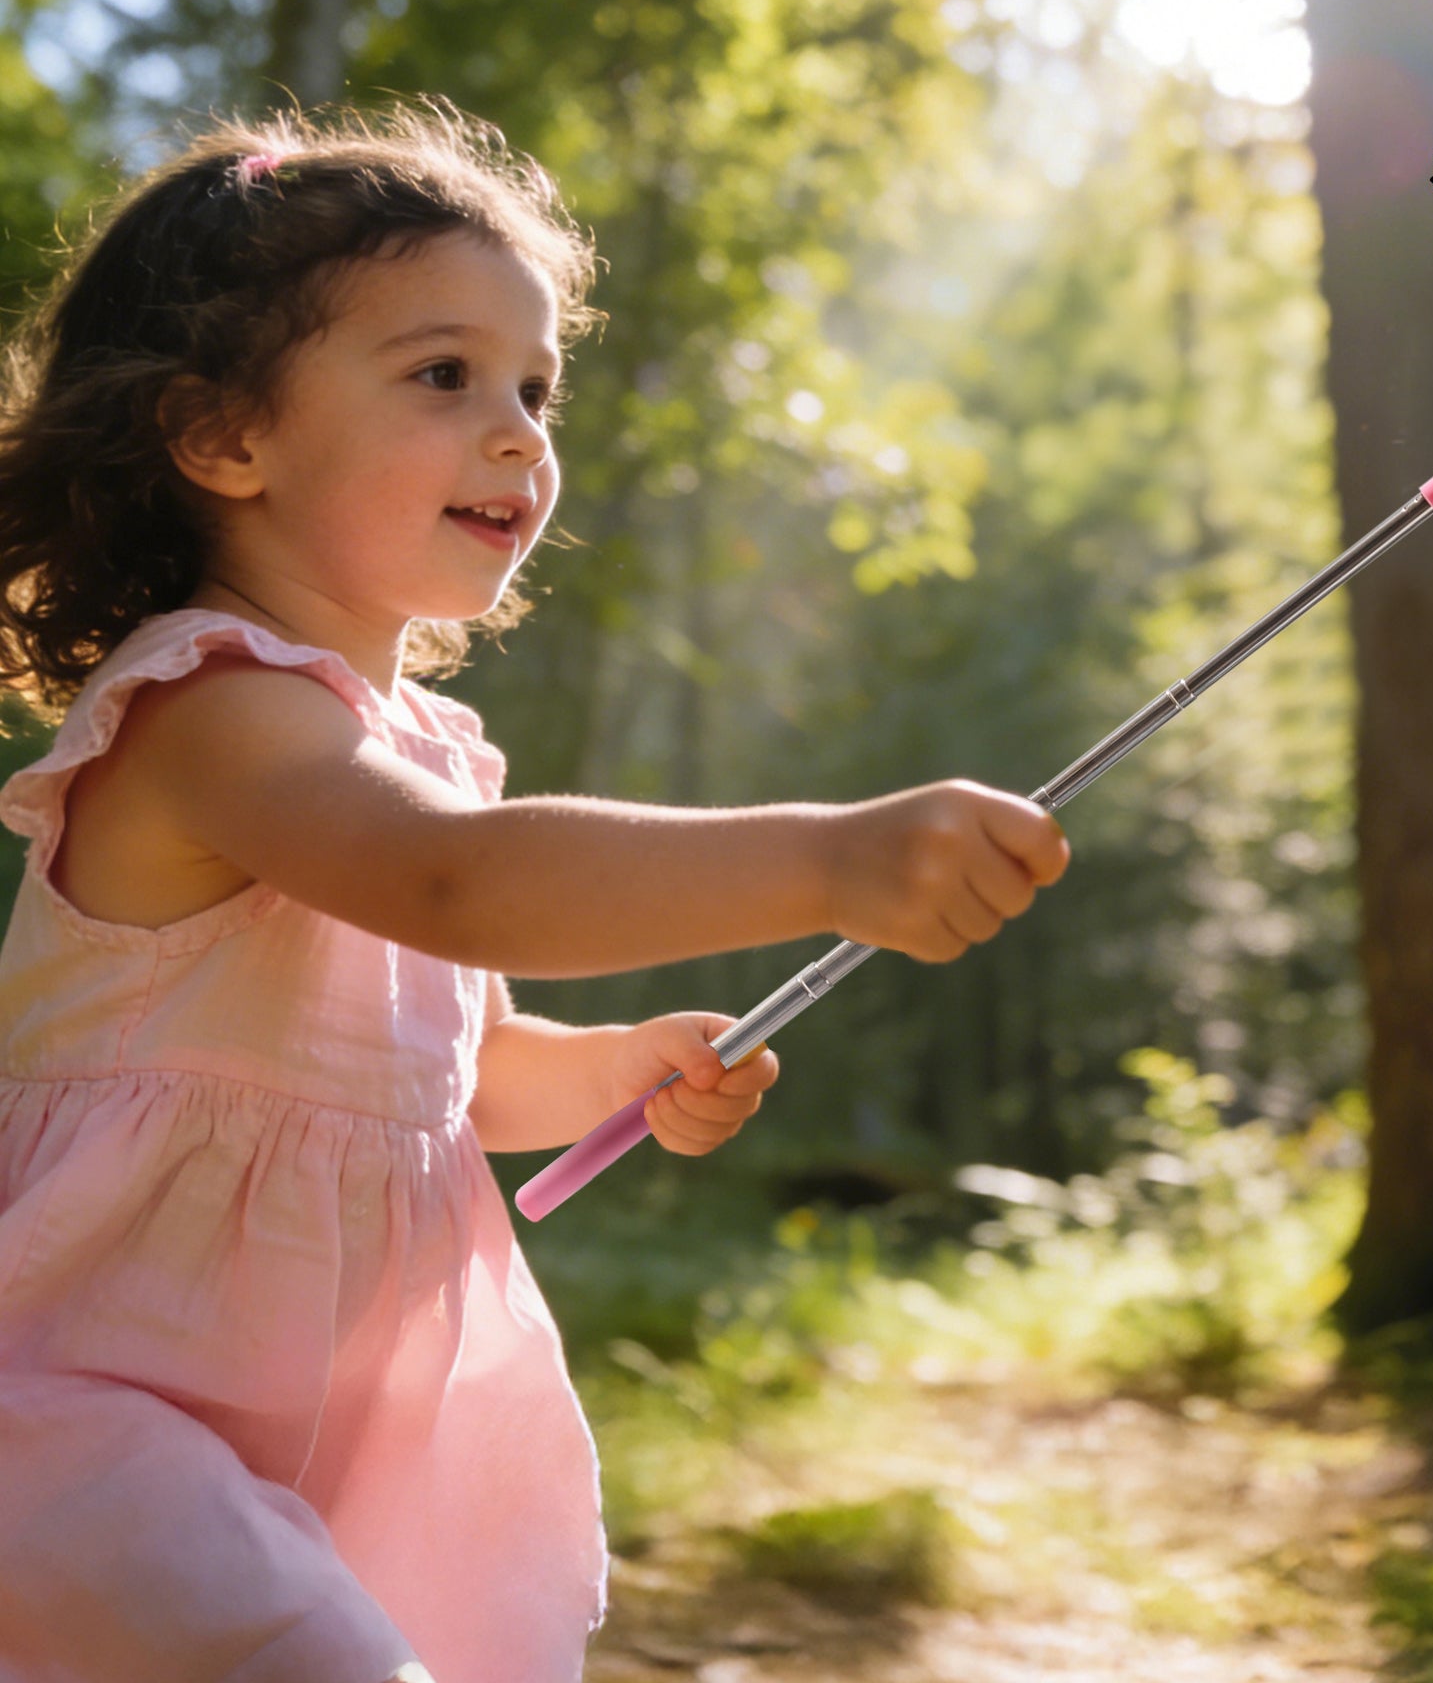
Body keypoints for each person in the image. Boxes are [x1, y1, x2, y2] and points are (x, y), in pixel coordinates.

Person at [0, 102, 1070, 1683]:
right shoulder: (206, 709)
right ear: (223, 438)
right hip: (99, 1420)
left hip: (328, 1424)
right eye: (445, 375)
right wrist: (830, 859)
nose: (519, 434)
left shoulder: (422, 748)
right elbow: (458, 885)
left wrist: (611, 1067)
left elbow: (458, 1065)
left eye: (535, 388)